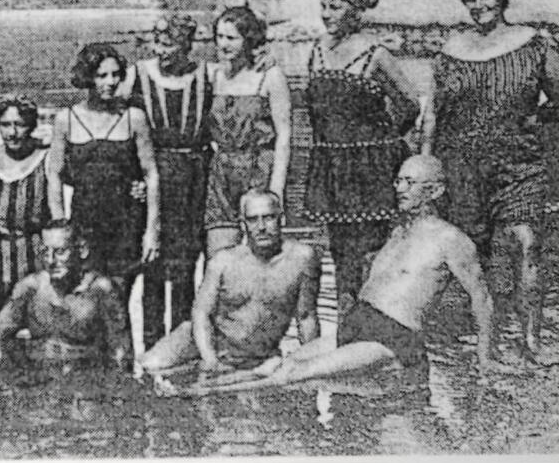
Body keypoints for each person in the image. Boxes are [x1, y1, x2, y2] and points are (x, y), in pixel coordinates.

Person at [204, 156, 502, 393]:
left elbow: (482, 299)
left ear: (435, 190)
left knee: (293, 375)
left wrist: (485, 359)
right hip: (358, 323)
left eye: (410, 183)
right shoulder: (398, 231)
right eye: (398, 181)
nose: (399, 189)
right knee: (283, 362)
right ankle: (203, 384)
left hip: (392, 338)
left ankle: (196, 397)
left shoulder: (451, 239)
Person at [422, 0, 559, 363]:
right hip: (461, 165)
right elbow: (433, 113)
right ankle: (484, 341)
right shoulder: (450, 50)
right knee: (472, 253)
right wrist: (427, 160)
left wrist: (534, 122)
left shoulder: (534, 44)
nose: (479, 5)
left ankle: (531, 340)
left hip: (518, 163)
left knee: (525, 243)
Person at [304, 0, 421, 325]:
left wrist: (385, 143)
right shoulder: (316, 50)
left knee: (373, 251)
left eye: (335, 7)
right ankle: (345, 327)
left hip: (372, 167)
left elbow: (410, 105)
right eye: (323, 5)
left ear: (355, 11)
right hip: (332, 165)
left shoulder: (376, 54)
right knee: (341, 253)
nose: (327, 14)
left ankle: (377, 328)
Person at [140, 188, 319, 374]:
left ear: (281, 220)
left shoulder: (301, 258)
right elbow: (201, 313)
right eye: (252, 219)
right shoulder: (223, 262)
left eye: (268, 218)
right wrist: (210, 359)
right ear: (243, 225)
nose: (261, 227)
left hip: (258, 354)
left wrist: (312, 362)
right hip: (200, 342)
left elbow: (306, 316)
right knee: (150, 366)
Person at [120, 13, 213, 347]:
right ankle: (150, 342)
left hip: (194, 176)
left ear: (188, 44)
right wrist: (131, 176)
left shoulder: (206, 74)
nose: (161, 50)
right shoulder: (137, 75)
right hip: (153, 175)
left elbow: (245, 76)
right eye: (157, 42)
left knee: (186, 264)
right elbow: (116, 126)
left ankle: (182, 343)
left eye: (170, 43)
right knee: (153, 264)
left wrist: (263, 58)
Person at [48, 42, 160, 280]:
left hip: (126, 222)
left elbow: (151, 174)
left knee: (119, 299)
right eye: (102, 76)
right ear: (87, 77)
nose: (110, 82)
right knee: (85, 295)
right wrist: (59, 226)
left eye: (115, 75)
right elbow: (54, 175)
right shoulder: (66, 119)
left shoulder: (134, 118)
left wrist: (151, 230)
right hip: (84, 223)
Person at [204, 7, 292, 254]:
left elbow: (284, 137)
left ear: (249, 40)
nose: (223, 44)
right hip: (221, 173)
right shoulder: (213, 75)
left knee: (260, 255)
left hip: (258, 169)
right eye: (219, 37)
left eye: (231, 38)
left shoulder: (270, 76)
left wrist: (277, 190)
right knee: (218, 255)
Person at [0, 220, 130, 366]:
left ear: (82, 250)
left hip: (85, 378)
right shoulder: (31, 287)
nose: (50, 260)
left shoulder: (99, 290)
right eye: (45, 252)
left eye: (60, 252)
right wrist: (1, 367)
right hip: (39, 377)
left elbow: (119, 346)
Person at [0, 95, 51, 321]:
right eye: (6, 125)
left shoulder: (47, 158)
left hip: (31, 267)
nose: (12, 132)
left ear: (32, 126)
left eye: (20, 125)